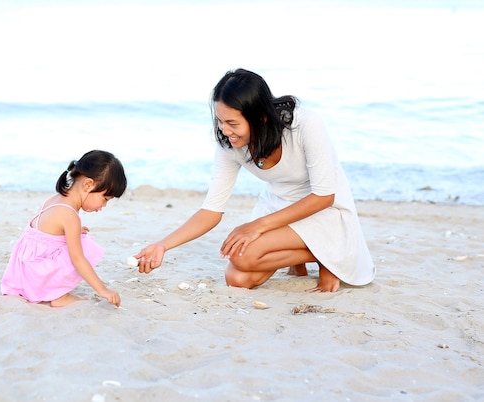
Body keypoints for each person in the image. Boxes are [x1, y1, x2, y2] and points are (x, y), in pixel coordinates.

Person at [135, 68, 375, 292]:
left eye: (232, 123)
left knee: (243, 255)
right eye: (219, 121)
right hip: (279, 205)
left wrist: (257, 226)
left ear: (260, 118)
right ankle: (311, 254)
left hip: (323, 209)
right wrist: (162, 245)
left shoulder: (304, 124)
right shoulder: (230, 145)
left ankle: (327, 258)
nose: (225, 131)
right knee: (237, 279)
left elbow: (324, 195)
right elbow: (211, 211)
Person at [1, 150, 127, 307]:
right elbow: (78, 260)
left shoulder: (55, 199)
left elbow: (46, 231)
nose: (103, 206)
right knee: (86, 248)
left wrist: (72, 231)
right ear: (88, 185)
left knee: (78, 239)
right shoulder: (70, 215)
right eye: (105, 199)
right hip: (36, 278)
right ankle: (58, 295)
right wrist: (103, 290)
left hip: (23, 271)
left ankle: (49, 288)